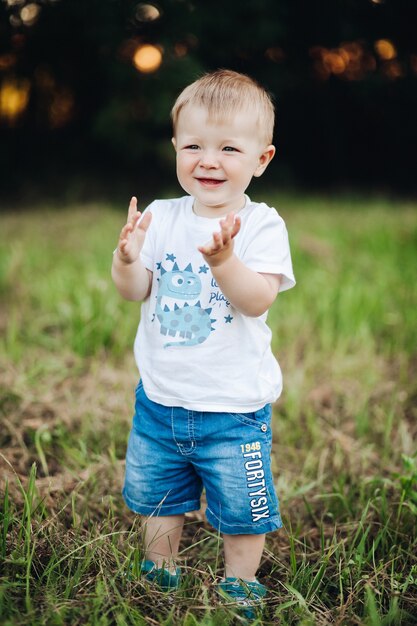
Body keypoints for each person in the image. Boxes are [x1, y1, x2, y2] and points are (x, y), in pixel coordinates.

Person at [111, 69, 295, 616]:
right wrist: (124, 259)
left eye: (229, 148)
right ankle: (160, 570)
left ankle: (239, 581)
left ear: (262, 159)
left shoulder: (261, 225)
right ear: (175, 148)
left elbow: (257, 299)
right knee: (158, 500)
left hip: (233, 410)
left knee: (243, 509)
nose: (208, 160)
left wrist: (222, 260)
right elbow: (135, 290)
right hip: (160, 403)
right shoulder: (161, 218)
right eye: (193, 145)